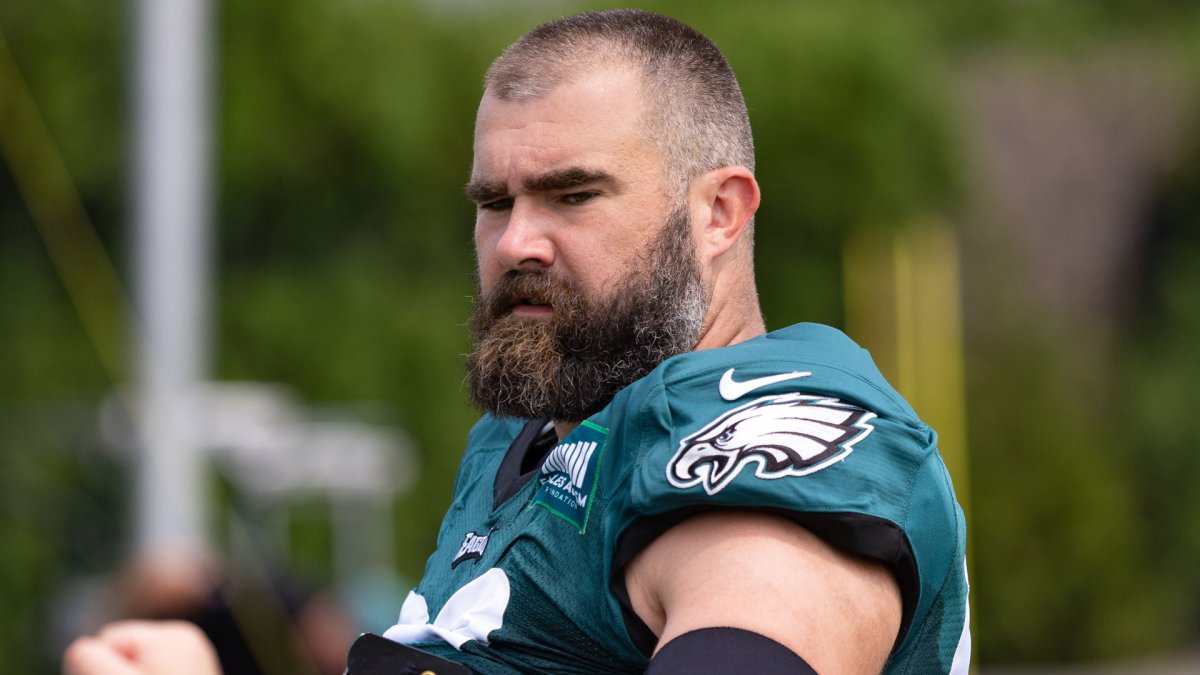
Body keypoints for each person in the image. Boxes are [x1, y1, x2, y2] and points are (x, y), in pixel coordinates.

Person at [64, 9, 970, 675]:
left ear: (720, 213)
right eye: (495, 202)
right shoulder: (531, 433)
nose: (514, 243)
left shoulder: (752, 439)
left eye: (572, 195)